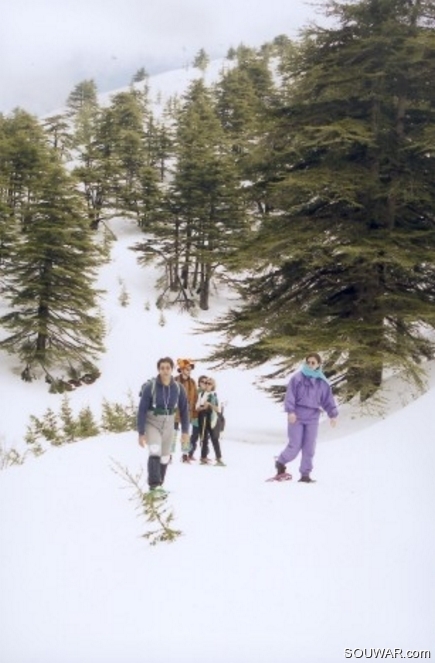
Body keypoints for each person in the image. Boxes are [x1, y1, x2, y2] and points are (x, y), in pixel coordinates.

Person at [274, 353, 338, 483]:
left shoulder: (322, 382)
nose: (310, 365)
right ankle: (281, 462)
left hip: (313, 417)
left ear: (319, 365)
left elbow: (327, 400)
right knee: (295, 446)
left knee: (309, 447)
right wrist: (290, 412)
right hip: (296, 416)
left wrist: (333, 415)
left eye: (313, 363)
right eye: (308, 362)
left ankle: (305, 475)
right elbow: (290, 396)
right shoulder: (297, 378)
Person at [137, 357, 190, 492]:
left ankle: (160, 484)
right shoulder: (151, 387)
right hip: (152, 422)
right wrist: (141, 432)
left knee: (165, 456)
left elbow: (184, 410)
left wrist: (185, 432)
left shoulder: (179, 388)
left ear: (172, 369)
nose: (165, 371)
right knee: (155, 450)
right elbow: (142, 410)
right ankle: (154, 485)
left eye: (167, 368)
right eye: (162, 368)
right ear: (158, 370)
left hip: (169, 424)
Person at [172, 358, 197, 463]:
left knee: (186, 434)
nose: (189, 371)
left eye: (190, 369)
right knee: (173, 433)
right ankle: (169, 454)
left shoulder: (192, 382)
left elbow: (195, 397)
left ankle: (185, 455)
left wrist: (194, 412)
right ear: (181, 369)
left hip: (187, 412)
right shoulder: (174, 380)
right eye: (187, 369)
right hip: (175, 411)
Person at [198, 376, 225, 466]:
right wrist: (203, 408)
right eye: (206, 383)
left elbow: (219, 409)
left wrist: (210, 404)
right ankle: (203, 457)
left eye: (209, 383)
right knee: (204, 438)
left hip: (212, 417)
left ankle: (218, 458)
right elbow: (197, 407)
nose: (207, 385)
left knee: (214, 438)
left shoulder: (215, 395)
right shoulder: (201, 394)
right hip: (203, 416)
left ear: (213, 385)